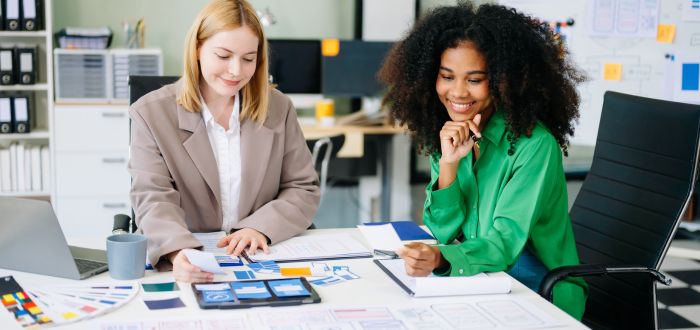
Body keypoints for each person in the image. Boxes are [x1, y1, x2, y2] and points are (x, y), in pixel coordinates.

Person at [378, 2, 587, 319]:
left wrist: (440, 259)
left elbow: (503, 243)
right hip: (483, 278)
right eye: (447, 76)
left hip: (539, 292)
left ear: (505, 80)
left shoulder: (534, 146)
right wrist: (448, 164)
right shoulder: (451, 133)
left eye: (474, 80)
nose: (457, 92)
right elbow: (444, 232)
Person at [128, 0, 320, 283]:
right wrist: (177, 251)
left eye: (248, 58)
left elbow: (302, 187)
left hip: (260, 255)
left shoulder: (278, 108)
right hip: (191, 255)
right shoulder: (150, 113)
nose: (235, 71)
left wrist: (259, 228)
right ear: (197, 49)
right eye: (223, 55)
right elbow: (152, 197)